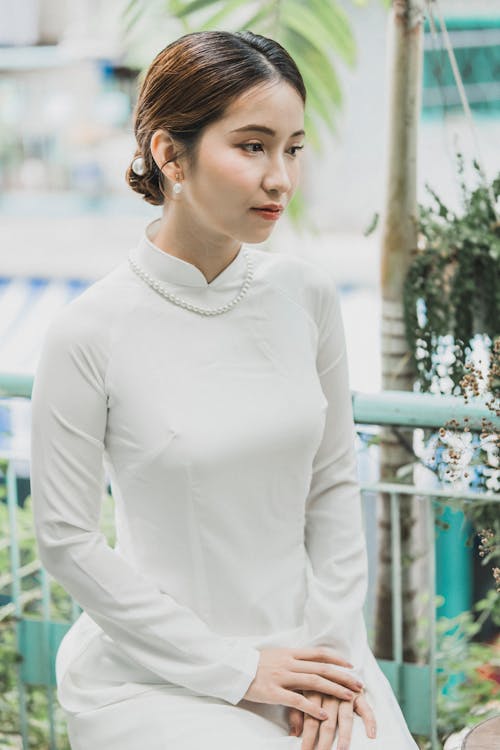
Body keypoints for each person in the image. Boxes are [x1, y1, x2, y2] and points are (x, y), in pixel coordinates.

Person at [30, 30, 418, 750]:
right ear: (169, 154)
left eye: (293, 148)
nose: (281, 179)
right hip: (157, 673)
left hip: (311, 653)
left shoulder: (307, 296)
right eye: (252, 146)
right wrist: (236, 668)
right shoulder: (87, 332)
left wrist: (329, 661)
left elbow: (333, 483)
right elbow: (67, 541)